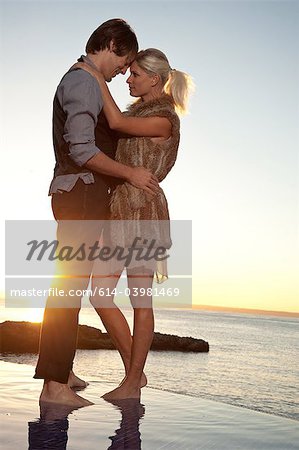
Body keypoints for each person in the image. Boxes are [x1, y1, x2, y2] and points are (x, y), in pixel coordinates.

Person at [34, 19, 160, 407]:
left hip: (80, 194)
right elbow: (83, 150)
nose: (124, 71)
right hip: (82, 193)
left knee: (68, 283)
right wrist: (131, 173)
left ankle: (61, 369)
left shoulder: (88, 81)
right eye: (124, 62)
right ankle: (55, 385)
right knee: (69, 287)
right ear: (110, 44)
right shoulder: (83, 81)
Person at [74, 48, 194, 400]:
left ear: (154, 80)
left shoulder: (164, 119)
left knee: (142, 301)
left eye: (135, 75)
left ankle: (132, 380)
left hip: (144, 214)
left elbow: (117, 123)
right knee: (100, 293)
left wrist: (96, 76)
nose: (128, 79)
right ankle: (134, 373)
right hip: (120, 209)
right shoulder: (145, 112)